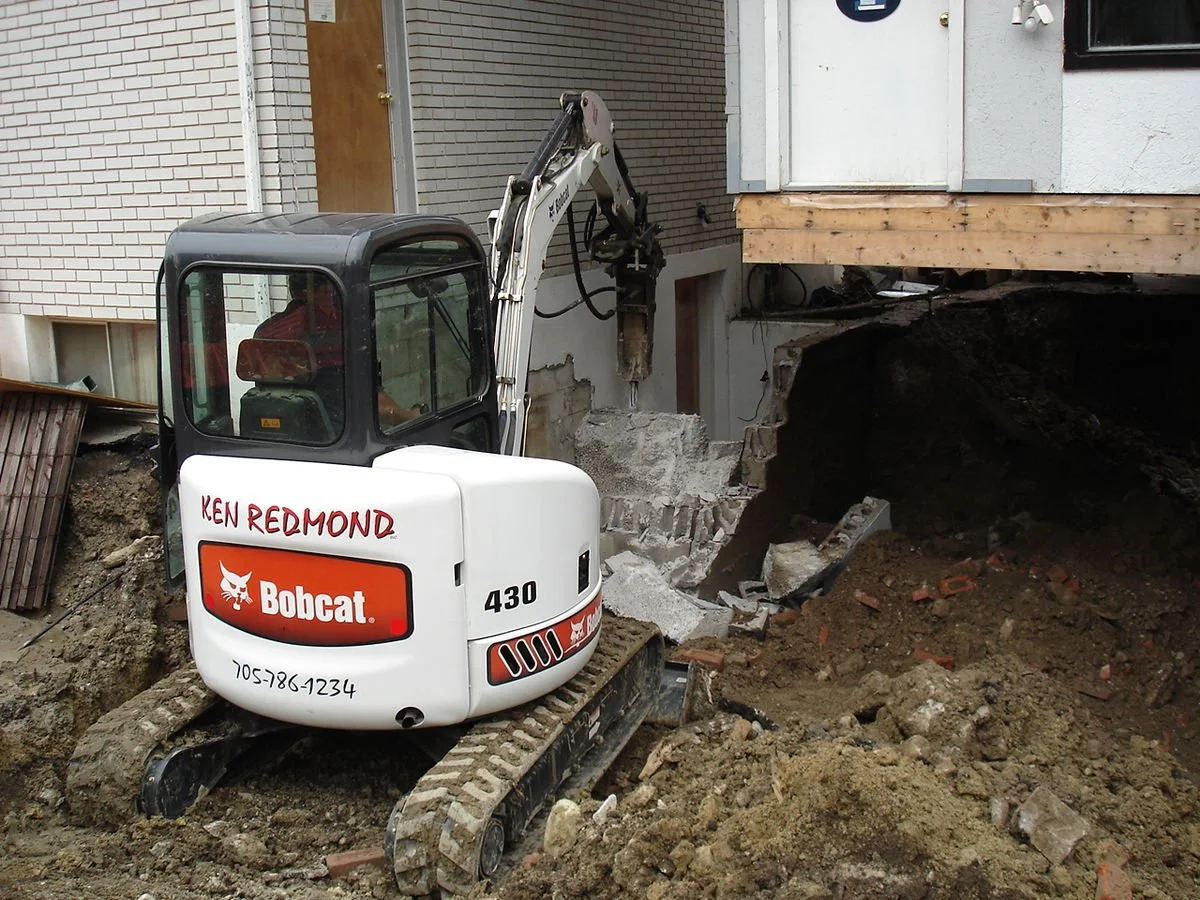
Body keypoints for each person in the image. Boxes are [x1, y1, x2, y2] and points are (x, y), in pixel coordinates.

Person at [252, 273, 420, 428]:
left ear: (292, 290)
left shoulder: (266, 331)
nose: (334, 298)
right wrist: (412, 416)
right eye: (331, 291)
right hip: (336, 434)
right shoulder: (338, 329)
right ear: (324, 291)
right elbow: (380, 408)